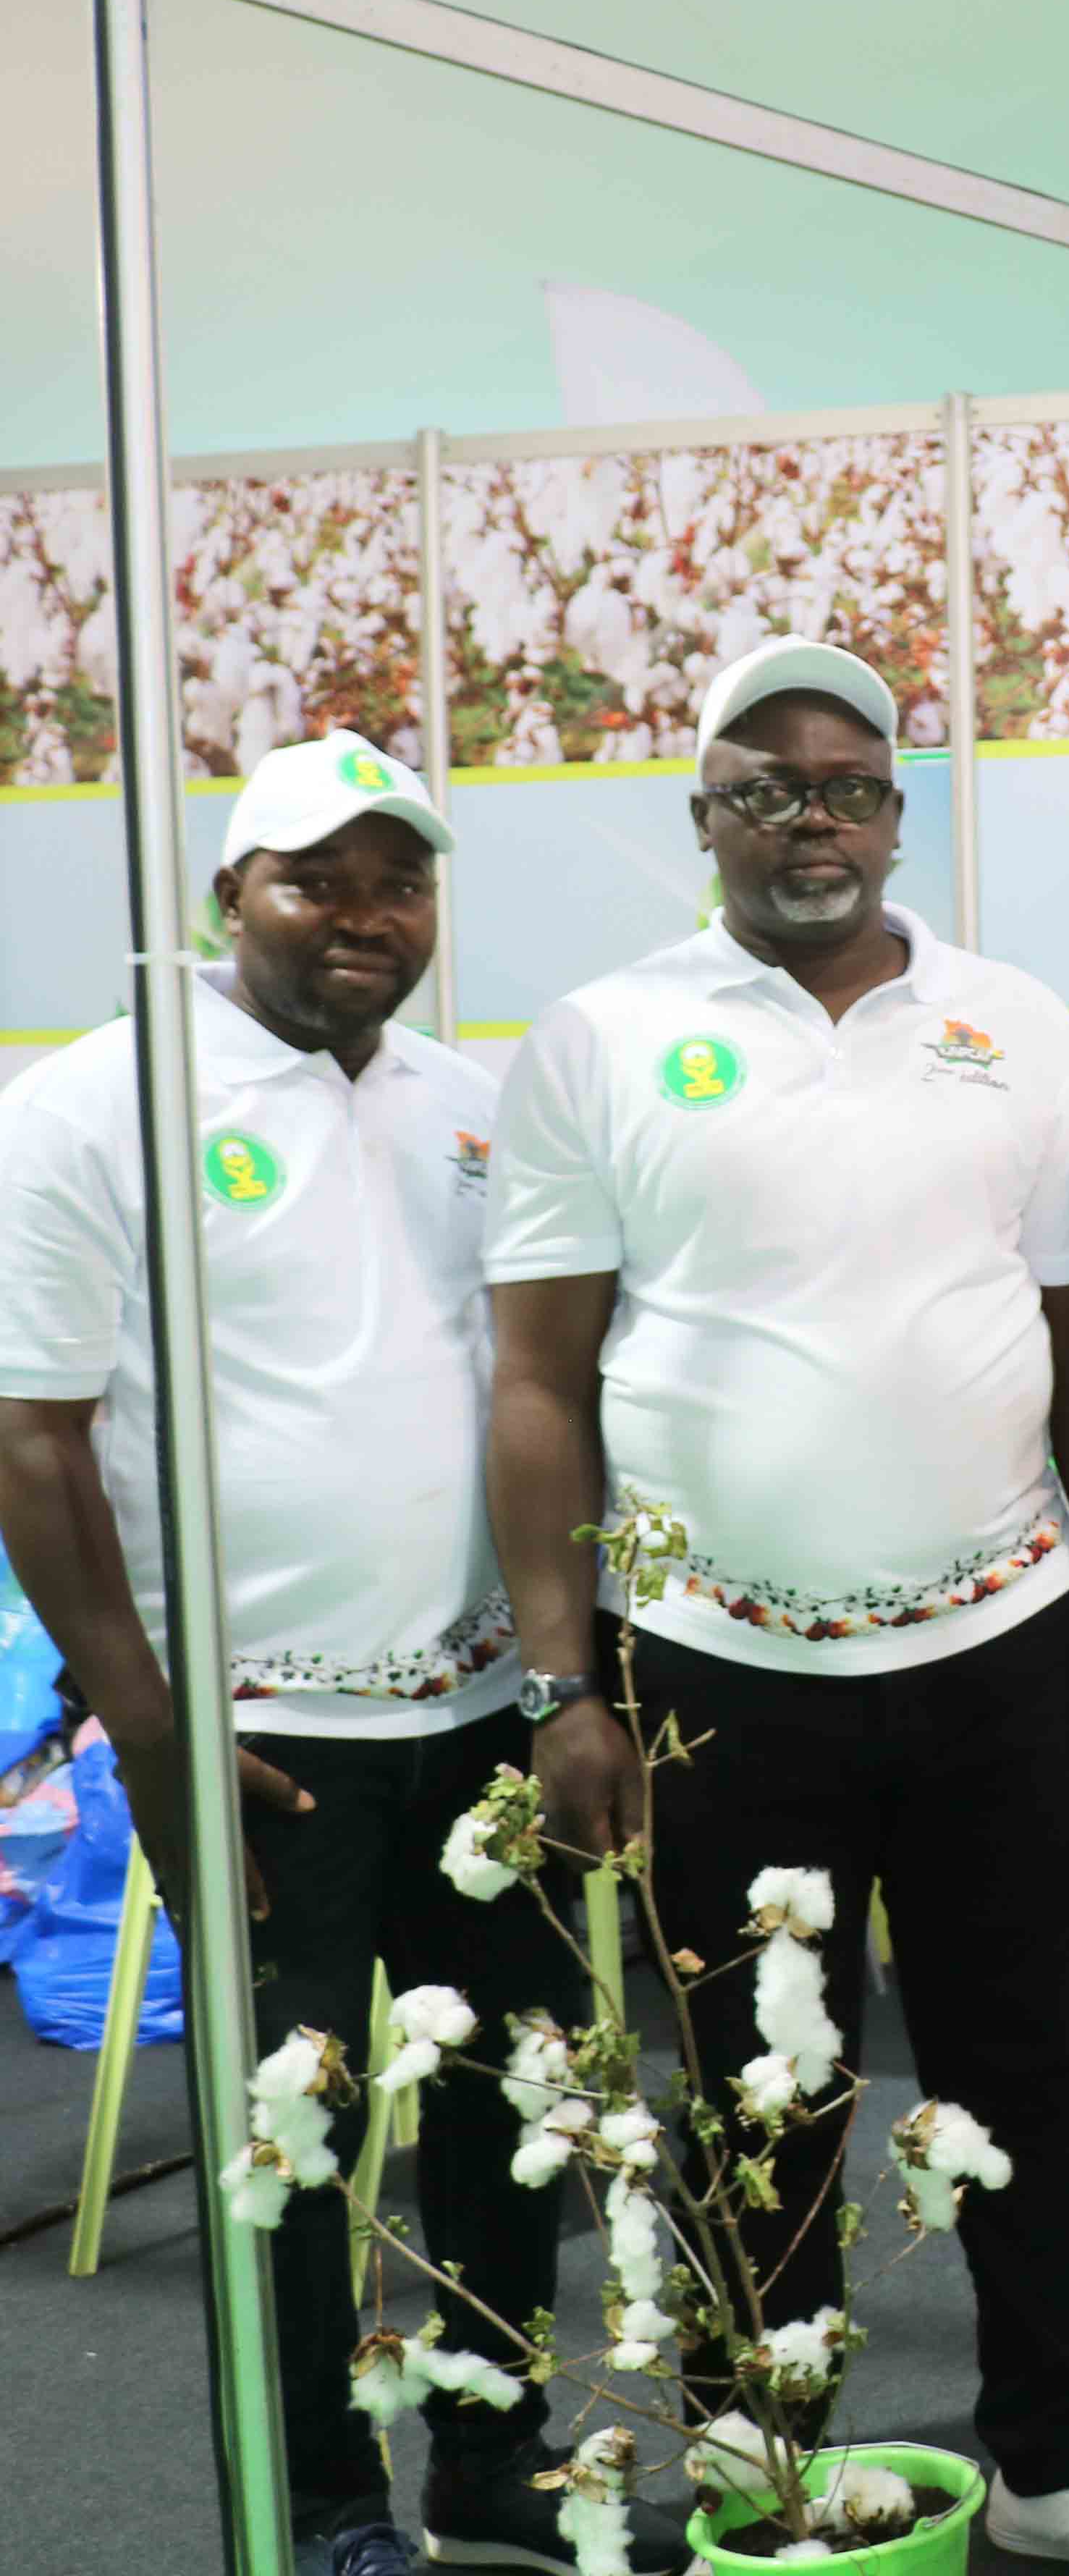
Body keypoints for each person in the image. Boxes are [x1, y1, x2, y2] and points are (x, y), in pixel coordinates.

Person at [484, 639, 1069, 2573]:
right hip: (717, 1666)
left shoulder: (1015, 1023)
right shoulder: (602, 1037)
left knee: (1019, 2069)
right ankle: (765, 2465)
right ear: (703, 817)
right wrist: (565, 1681)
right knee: (756, 2088)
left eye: (851, 787)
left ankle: (1050, 2459)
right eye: (769, 788)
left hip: (1001, 1642)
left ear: (895, 816)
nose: (813, 821)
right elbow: (539, 1378)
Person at [0, 735, 669, 2576]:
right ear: (233, 894)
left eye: (399, 881)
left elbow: (540, 1389)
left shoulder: (470, 1100)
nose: (364, 914)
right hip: (260, 1734)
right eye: (316, 879)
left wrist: (571, 1676)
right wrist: (147, 1730)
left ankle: (493, 2457)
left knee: (508, 2103)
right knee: (291, 2150)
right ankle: (318, 2502)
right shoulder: (100, 1107)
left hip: (483, 1707)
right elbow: (33, 1438)